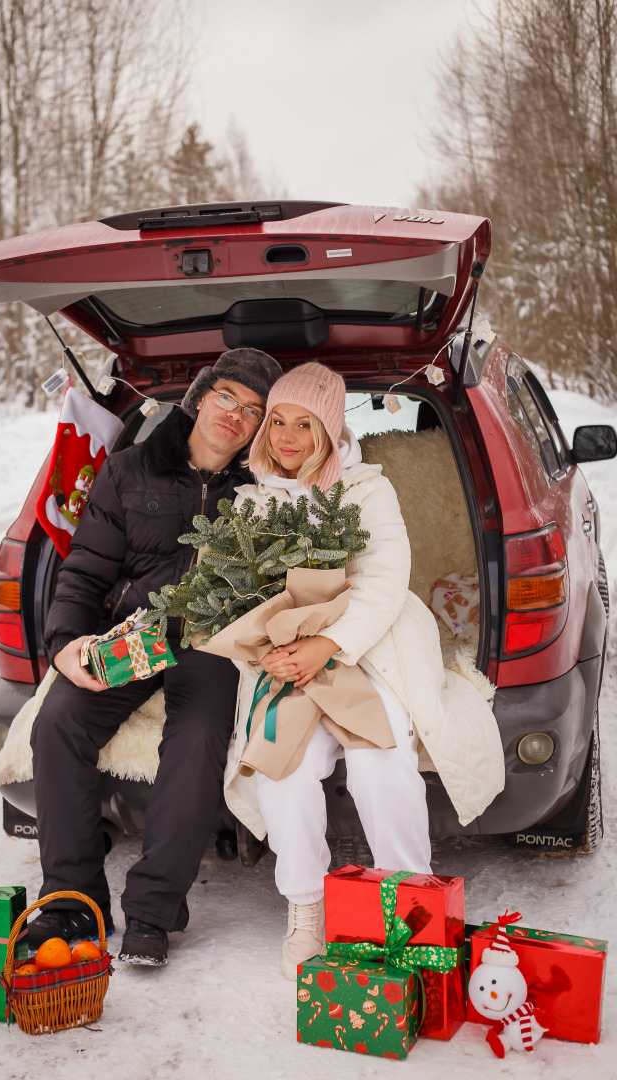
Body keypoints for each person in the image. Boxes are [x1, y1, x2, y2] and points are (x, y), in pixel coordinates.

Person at [223, 362, 505, 980]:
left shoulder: (367, 490)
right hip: (287, 657)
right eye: (276, 421)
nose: (287, 436)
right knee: (284, 770)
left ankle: (412, 907)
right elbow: (236, 593)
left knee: (383, 761)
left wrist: (329, 644)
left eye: (305, 423)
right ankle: (306, 909)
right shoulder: (250, 503)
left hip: (371, 646)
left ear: (329, 430)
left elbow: (383, 583)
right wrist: (269, 646)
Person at [28, 347, 283, 967]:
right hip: (129, 634)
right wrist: (65, 648)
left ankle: (154, 910)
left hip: (211, 642)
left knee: (197, 739)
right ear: (199, 397)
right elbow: (84, 573)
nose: (235, 415)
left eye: (253, 410)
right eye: (227, 396)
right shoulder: (129, 470)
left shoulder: (265, 491)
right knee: (57, 723)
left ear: (259, 428)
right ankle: (71, 902)